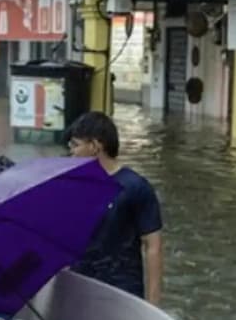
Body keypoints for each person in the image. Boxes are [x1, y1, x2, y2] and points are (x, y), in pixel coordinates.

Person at [66, 111, 164, 305]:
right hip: (81, 285)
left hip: (122, 290)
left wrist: (153, 305)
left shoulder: (135, 187)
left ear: (95, 146)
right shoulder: (74, 187)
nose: (72, 152)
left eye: (76, 145)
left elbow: (154, 246)